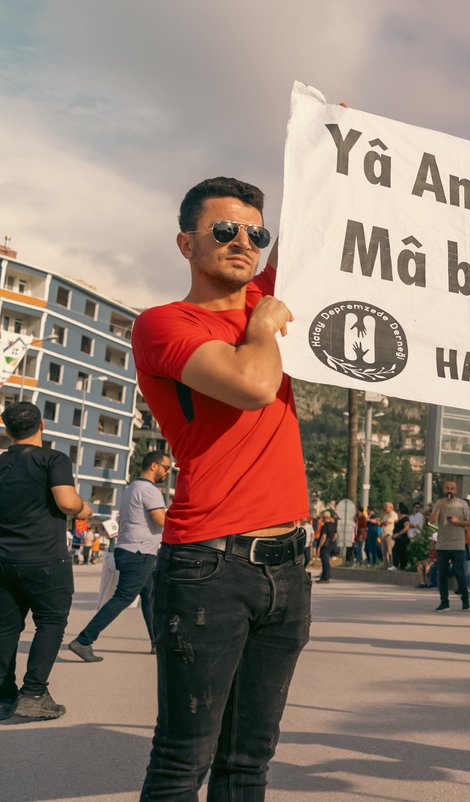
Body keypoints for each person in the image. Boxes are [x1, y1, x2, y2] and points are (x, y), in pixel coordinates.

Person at [132, 177, 311, 798]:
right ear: (186, 243)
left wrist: (339, 146)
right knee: (185, 760)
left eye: (255, 234)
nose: (244, 243)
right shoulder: (162, 323)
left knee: (249, 761)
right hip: (210, 561)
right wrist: (262, 325)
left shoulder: (262, 294)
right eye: (224, 230)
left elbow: (326, 231)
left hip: (288, 564)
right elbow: (252, 384)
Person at [0, 402, 92, 721]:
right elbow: (67, 502)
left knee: (5, 628)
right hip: (45, 558)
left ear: (7, 429)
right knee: (50, 622)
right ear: (42, 426)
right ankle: (34, 694)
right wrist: (84, 509)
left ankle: (3, 697)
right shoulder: (53, 459)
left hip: (3, 560)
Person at [69, 451, 172, 662]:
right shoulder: (149, 490)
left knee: (149, 597)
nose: (168, 471)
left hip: (132, 550)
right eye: (166, 467)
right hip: (139, 553)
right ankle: (84, 640)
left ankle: (155, 642)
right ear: (153, 466)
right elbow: (162, 521)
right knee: (123, 597)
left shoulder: (131, 487)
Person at [431, 480, 470, 611]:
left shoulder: (462, 504)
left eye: (452, 489)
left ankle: (465, 600)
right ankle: (444, 602)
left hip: (458, 544)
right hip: (442, 544)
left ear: (456, 490)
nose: (450, 491)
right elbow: (431, 522)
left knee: (459, 573)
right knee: (441, 574)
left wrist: (458, 522)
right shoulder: (439, 503)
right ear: (444, 489)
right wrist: (438, 508)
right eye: (447, 488)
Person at [316, 512, 337, 582]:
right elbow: (335, 535)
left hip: (325, 545)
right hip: (330, 545)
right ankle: (324, 577)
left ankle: (325, 578)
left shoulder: (325, 526)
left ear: (324, 518)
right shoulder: (334, 525)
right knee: (327, 561)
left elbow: (324, 536)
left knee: (324, 562)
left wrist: (319, 546)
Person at [380, 501, 399, 571]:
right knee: (384, 551)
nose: (385, 508)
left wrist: (383, 522)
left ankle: (391, 565)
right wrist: (382, 523)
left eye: (386, 507)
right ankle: (385, 565)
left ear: (391, 507)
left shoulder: (393, 514)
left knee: (390, 550)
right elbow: (380, 524)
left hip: (389, 534)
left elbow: (388, 523)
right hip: (383, 534)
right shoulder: (385, 515)